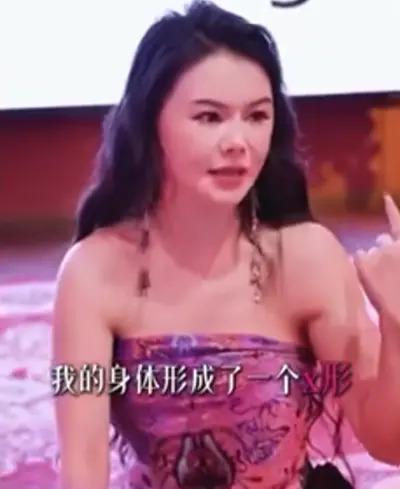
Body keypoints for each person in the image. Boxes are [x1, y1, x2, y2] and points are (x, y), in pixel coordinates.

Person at [51, 1, 400, 488]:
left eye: (256, 116)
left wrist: (396, 325)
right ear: (151, 123)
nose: (238, 141)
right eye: (210, 117)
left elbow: (389, 443)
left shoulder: (306, 258)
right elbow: (83, 469)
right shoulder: (93, 271)